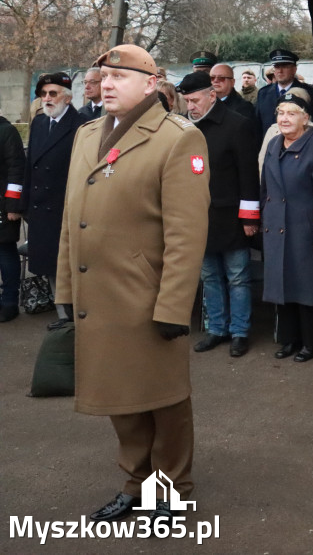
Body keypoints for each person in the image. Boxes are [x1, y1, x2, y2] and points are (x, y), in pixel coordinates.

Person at [56, 44, 209, 522]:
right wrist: (65, 287)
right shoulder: (87, 135)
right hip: (99, 295)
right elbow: (73, 219)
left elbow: (186, 234)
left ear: (150, 84)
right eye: (104, 76)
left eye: (120, 77)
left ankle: (171, 489)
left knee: (163, 398)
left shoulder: (178, 138)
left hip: (146, 296)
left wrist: (174, 307)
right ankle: (137, 482)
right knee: (119, 395)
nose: (107, 84)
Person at [178, 71, 260, 359]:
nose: (190, 107)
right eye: (187, 101)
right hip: (198, 216)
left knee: (237, 277)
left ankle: (239, 331)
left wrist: (250, 218)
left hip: (231, 215)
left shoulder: (238, 125)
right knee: (210, 276)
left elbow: (248, 174)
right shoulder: (184, 128)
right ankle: (216, 328)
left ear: (212, 95)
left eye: (195, 100)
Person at [262, 92, 313, 362]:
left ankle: (310, 343)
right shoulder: (273, 143)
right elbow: (265, 187)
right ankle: (289, 340)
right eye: (281, 113)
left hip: (304, 226)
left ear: (305, 118)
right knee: (282, 285)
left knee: (306, 287)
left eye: (291, 113)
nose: (284, 119)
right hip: (276, 224)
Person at [24, 72, 86, 328]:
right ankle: (64, 318)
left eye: (53, 93)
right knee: (49, 265)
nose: (47, 98)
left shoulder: (81, 125)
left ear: (68, 98)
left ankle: (73, 318)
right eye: (43, 94)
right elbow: (30, 165)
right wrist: (24, 203)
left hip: (64, 207)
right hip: (40, 207)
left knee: (67, 265)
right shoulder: (39, 123)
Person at [0, 83, 27, 322]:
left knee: (6, 251)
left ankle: (10, 302)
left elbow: (17, 170)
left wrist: (13, 205)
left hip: (4, 206)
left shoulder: (7, 131)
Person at [255, 49, 313, 134]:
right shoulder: (263, 93)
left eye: (284, 66)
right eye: (277, 67)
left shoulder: (308, 92)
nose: (280, 71)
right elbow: (258, 125)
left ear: (294, 69)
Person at [209, 63, 259, 139]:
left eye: (221, 78)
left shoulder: (244, 108)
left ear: (232, 82)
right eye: (212, 78)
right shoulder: (204, 104)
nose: (215, 81)